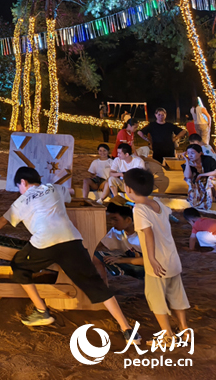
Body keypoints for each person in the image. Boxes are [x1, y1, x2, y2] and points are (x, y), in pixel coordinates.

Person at [0, 167, 142, 343]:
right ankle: (127, 329)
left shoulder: (21, 201)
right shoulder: (53, 188)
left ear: (23, 182)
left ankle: (41, 310)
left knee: (19, 266)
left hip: (44, 242)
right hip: (72, 240)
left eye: (19, 187)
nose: (19, 190)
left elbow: (2, 220)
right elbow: (70, 193)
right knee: (95, 283)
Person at [125, 168, 190, 339]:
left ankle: (167, 334)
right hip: (172, 258)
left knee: (157, 298)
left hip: (157, 262)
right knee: (176, 294)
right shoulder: (158, 203)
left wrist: (151, 259)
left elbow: (148, 234)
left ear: (128, 189)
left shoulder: (139, 209)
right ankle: (184, 329)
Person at [92, 203, 144, 283]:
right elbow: (98, 246)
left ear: (128, 220)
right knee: (97, 255)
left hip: (146, 268)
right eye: (110, 219)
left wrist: (120, 260)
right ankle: (102, 284)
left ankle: (129, 277)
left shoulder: (143, 234)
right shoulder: (116, 231)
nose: (112, 223)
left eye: (115, 219)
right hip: (129, 263)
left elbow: (149, 261)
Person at [182, 143, 216, 210]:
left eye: (192, 153)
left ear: (200, 153)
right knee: (190, 181)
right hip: (198, 185)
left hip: (209, 183)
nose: (190, 155)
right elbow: (188, 177)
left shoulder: (208, 160)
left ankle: (211, 200)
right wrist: (187, 161)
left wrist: (201, 175)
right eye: (188, 153)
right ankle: (198, 204)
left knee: (211, 179)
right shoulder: (188, 164)